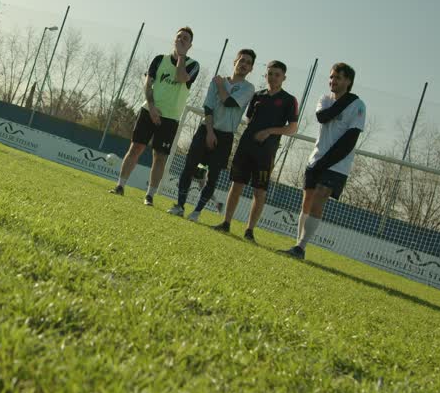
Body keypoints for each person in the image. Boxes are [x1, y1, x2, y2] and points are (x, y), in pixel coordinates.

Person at [211, 61, 299, 241]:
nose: (273, 77)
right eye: (270, 73)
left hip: (266, 154)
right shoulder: (257, 96)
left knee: (259, 192)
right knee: (236, 184)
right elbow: (249, 119)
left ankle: (249, 230)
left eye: (277, 74)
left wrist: (269, 132)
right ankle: (226, 222)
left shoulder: (289, 100)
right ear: (265, 75)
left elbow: (292, 128)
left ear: (284, 78)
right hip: (245, 148)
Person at [285, 62, 366, 260]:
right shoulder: (325, 99)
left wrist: (326, 162)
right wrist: (318, 162)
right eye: (331, 77)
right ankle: (297, 245)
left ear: (348, 81)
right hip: (316, 158)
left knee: (319, 198)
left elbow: (350, 140)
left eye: (338, 78)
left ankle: (301, 247)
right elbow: (322, 117)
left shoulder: (358, 105)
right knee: (306, 202)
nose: (332, 81)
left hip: (336, 164)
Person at [110, 27, 199, 205]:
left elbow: (181, 78)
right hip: (148, 111)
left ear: (190, 45)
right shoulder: (159, 60)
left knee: (159, 156)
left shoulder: (193, 65)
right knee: (135, 148)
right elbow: (147, 84)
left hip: (170, 118)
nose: (181, 40)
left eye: (185, 39)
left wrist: (181, 56)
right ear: (174, 40)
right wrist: (151, 107)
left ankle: (149, 195)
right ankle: (120, 186)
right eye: (179, 37)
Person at [169, 49, 256, 221]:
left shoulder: (248, 88)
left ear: (251, 68)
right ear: (235, 61)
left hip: (225, 136)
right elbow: (208, 107)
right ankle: (179, 206)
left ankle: (197, 212)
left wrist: (221, 86)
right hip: (206, 129)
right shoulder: (216, 80)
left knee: (213, 175)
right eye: (242, 60)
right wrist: (209, 132)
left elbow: (229, 102)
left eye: (248, 62)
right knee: (189, 167)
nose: (244, 64)